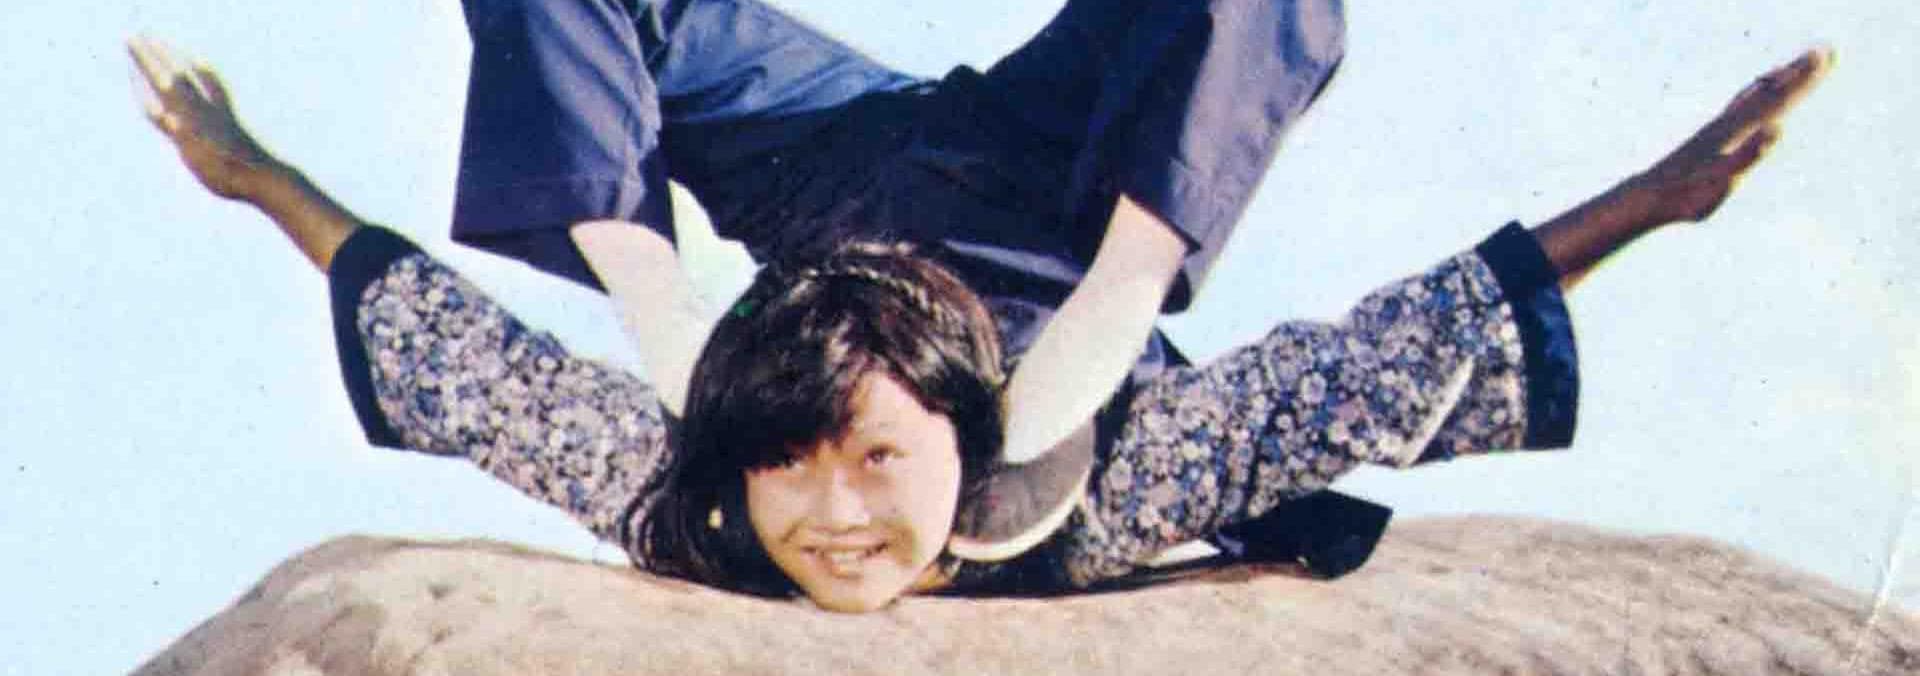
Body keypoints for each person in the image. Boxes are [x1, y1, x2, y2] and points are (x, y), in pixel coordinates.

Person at [129, 20, 1830, 612]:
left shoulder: (706, 503)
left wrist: (265, 182)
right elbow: (1365, 370)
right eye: (800, 466)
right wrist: (1645, 202)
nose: (834, 517)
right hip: (862, 182)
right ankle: (691, 318)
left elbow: (472, 369)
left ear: (945, 448)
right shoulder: (749, 495)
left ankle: (1129, 275)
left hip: (1010, 228)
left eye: (867, 462)